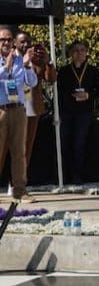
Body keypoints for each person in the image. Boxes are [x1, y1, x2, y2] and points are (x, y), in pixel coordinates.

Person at [57, 41, 99, 183]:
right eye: (76, 50)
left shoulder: (92, 71)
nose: (79, 53)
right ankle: (64, 175)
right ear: (71, 53)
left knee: (79, 143)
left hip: (84, 112)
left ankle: (77, 175)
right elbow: (59, 90)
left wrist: (88, 95)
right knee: (65, 143)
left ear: (86, 53)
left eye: (82, 50)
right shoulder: (64, 71)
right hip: (67, 112)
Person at [0, 27, 38, 203]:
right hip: (1, 110)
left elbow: (32, 82)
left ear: (13, 42)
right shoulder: (7, 62)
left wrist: (27, 65)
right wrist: (6, 66)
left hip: (18, 110)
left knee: (19, 152)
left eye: (8, 40)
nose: (5, 43)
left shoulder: (19, 60)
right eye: (2, 40)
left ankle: (20, 190)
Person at [17, 33, 56, 161]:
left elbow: (51, 79)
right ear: (15, 43)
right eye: (22, 42)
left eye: (29, 41)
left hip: (32, 108)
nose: (26, 45)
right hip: (13, 108)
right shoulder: (9, 59)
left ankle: (20, 178)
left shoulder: (38, 60)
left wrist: (48, 61)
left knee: (27, 146)